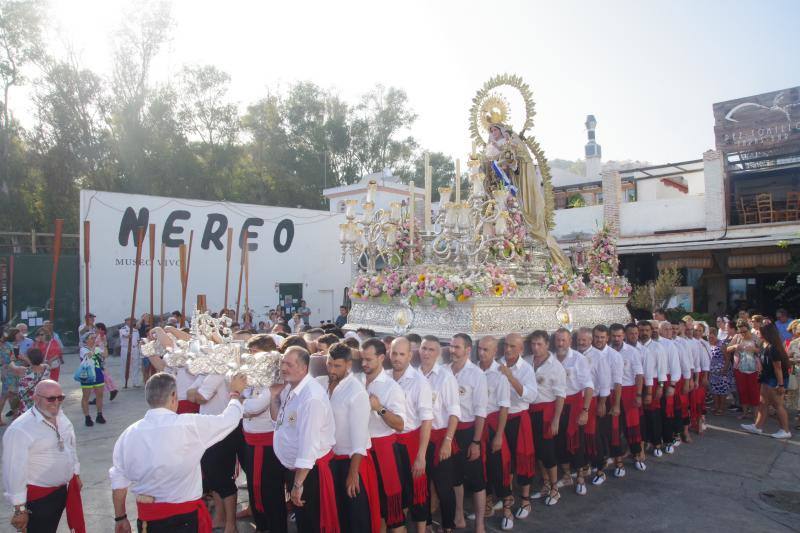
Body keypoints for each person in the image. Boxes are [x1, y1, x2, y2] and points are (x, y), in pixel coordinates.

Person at [110, 372, 247, 533]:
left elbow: (119, 481)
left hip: (149, 520)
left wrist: (121, 517)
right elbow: (228, 420)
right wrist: (235, 394)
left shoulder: (128, 434)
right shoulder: (188, 425)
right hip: (183, 519)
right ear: (174, 396)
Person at [270, 346, 339, 533]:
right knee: (303, 523)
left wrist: (298, 484)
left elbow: (309, 446)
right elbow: (279, 421)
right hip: (297, 469)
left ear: (304, 368)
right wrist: (273, 395)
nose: (283, 368)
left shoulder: (311, 398)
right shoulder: (290, 387)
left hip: (309, 473)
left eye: (289, 364)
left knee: (312, 523)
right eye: (282, 362)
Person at [2, 379, 85, 533]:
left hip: (61, 491)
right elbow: (14, 470)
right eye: (51, 398)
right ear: (35, 398)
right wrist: (20, 509)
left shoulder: (61, 416)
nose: (56, 402)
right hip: (38, 499)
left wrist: (76, 473)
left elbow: (70, 445)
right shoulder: (20, 429)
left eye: (60, 398)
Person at [318, 342, 380, 533]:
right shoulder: (322, 384)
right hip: (331, 462)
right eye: (329, 364)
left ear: (348, 365)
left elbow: (360, 438)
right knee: (340, 516)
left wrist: (353, 474)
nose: (332, 369)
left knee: (357, 519)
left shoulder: (356, 392)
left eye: (337, 366)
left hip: (353, 463)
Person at [359, 338, 406, 532]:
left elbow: (400, 425)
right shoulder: (356, 380)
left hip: (383, 452)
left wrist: (379, 409)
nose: (364, 364)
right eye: (362, 359)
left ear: (381, 358)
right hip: (363, 451)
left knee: (391, 510)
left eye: (368, 359)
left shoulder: (390, 387)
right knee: (372, 508)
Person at [187, 370, 241, 532]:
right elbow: (188, 393)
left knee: (223, 478)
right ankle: (220, 517)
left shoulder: (218, 372)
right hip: (208, 430)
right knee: (212, 475)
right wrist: (197, 394)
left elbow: (200, 397)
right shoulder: (206, 372)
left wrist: (197, 394)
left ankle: (231, 524)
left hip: (223, 430)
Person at [388, 337, 433, 533]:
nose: (397, 358)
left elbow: (427, 420)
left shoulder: (419, 381)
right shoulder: (385, 377)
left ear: (410, 355)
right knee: (397, 492)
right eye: (394, 353)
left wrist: (421, 456)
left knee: (418, 492)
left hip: (411, 442)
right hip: (390, 444)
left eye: (401, 354)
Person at [418, 336, 460, 533]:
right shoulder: (413, 375)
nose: (426, 353)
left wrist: (448, 441)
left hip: (439, 438)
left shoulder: (445, 377)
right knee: (421, 487)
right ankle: (425, 525)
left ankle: (448, 526)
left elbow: (454, 412)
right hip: (417, 440)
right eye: (424, 348)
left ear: (438, 353)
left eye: (431, 350)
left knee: (444, 488)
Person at [447, 333, 488, 532]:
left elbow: (481, 410)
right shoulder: (445, 371)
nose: (452, 350)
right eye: (451, 346)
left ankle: (480, 523)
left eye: (457, 347)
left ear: (468, 350)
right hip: (449, 434)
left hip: (468, 431)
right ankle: (459, 514)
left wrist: (476, 442)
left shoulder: (476, 374)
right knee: (454, 477)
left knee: (476, 479)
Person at [476, 336, 514, 529]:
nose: (482, 353)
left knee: (499, 469)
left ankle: (507, 510)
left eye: (486, 350)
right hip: (476, 428)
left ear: (495, 352)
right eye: (480, 349)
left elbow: (504, 407)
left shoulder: (500, 374)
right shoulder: (472, 370)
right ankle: (488, 505)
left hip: (492, 427)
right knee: (481, 470)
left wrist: (499, 435)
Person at [498, 333, 537, 520]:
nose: (508, 349)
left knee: (523, 459)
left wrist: (511, 377)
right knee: (504, 461)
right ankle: (507, 500)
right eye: (506, 345)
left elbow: (531, 396)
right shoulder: (497, 364)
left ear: (521, 349)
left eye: (513, 346)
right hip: (499, 420)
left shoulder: (526, 369)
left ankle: (525, 499)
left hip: (519, 418)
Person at [526, 330, 565, 505]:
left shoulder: (555, 366)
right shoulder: (527, 362)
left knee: (548, 452)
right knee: (537, 452)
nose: (535, 348)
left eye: (539, 344)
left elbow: (560, 395)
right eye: (533, 344)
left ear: (547, 345)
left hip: (546, 412)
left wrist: (556, 419)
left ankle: (555, 488)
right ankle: (546, 483)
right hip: (529, 412)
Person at [553, 328, 594, 497]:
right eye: (558, 340)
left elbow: (589, 386)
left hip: (574, 405)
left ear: (570, 341)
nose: (561, 344)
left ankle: (580, 479)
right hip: (557, 407)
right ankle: (567, 475)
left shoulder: (578, 359)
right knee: (559, 443)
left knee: (577, 444)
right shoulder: (551, 359)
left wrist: (585, 411)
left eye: (564, 340)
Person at [583, 325, 623, 485]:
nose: (599, 340)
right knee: (594, 433)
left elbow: (617, 382)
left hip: (607, 396)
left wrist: (616, 404)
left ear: (607, 338)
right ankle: (596, 461)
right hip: (589, 399)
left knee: (609, 432)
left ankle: (616, 461)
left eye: (602, 337)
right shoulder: (586, 354)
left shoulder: (614, 356)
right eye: (596, 337)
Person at [742, 322, 792, 439]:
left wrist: (781, 385)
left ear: (767, 333)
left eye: (760, 331)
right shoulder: (765, 345)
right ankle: (757, 426)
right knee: (763, 403)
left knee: (777, 405)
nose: (758, 332)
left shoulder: (774, 348)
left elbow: (778, 368)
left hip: (775, 379)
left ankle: (785, 430)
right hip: (767, 377)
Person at [609, 323, 645, 474]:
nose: (617, 339)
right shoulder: (606, 352)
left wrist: (638, 394)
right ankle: (618, 461)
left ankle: (637, 455)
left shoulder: (632, 352)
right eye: (614, 336)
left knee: (633, 426)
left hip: (629, 391)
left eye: (619, 336)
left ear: (623, 336)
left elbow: (639, 375)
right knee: (615, 428)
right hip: (612, 392)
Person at [638, 321, 668, 458]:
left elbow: (662, 370)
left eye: (646, 330)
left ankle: (657, 442)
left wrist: (660, 387)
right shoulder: (635, 347)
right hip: (638, 384)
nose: (644, 333)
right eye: (641, 330)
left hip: (654, 383)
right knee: (641, 415)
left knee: (654, 414)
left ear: (651, 332)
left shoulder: (657, 347)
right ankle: (644, 441)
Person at [727, 319, 761, 420]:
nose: (742, 333)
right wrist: (735, 346)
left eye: (744, 331)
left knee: (754, 391)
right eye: (740, 331)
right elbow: (727, 349)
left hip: (753, 368)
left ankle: (756, 415)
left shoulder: (755, 338)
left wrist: (754, 349)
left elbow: (762, 350)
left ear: (749, 329)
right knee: (742, 390)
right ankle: (745, 413)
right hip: (739, 368)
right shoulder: (737, 337)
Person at [9, 348, 50, 412]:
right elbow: (36, 364)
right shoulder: (47, 368)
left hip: (26, 404)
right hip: (40, 402)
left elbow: (11, 366)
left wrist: (12, 360)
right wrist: (26, 358)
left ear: (29, 359)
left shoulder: (23, 370)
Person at [79, 332, 107, 426]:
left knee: (100, 395)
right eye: (91, 338)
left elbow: (105, 355)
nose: (94, 339)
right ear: (86, 340)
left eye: (94, 338)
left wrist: (104, 344)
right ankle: (87, 417)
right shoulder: (83, 349)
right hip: (87, 373)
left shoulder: (97, 348)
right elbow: (89, 356)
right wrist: (95, 346)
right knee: (86, 396)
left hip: (98, 372)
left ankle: (99, 415)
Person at [706, 326, 730, 415]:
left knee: (722, 390)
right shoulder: (708, 345)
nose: (710, 338)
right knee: (714, 390)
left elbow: (727, 358)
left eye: (712, 337)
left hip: (722, 371)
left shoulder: (721, 344)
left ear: (716, 336)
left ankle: (721, 408)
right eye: (708, 337)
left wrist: (724, 369)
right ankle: (716, 406)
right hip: (712, 372)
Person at [0, 329, 21, 425]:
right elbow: (9, 360)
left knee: (10, 394)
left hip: (7, 372)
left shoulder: (6, 344)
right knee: (7, 395)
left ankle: (16, 415)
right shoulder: (6, 345)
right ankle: (15, 416)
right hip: (9, 372)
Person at [119, 317, 143, 388]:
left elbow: (137, 340)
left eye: (133, 321)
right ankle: (124, 382)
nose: (132, 322)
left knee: (136, 365)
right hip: (126, 349)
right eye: (130, 321)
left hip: (135, 348)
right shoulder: (123, 329)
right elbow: (125, 335)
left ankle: (135, 382)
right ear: (126, 321)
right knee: (125, 366)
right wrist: (129, 335)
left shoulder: (136, 330)